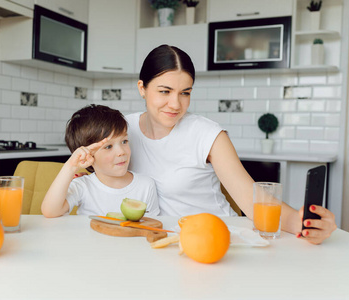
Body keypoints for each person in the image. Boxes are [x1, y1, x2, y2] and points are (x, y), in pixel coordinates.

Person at [126, 44, 336, 244]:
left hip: (219, 238)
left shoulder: (207, 134)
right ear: (142, 88)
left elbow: (253, 200)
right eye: (165, 91)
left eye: (185, 93)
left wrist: (303, 224)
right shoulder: (123, 130)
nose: (175, 104)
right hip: (166, 241)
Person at [41, 104, 160, 218]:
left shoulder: (146, 185)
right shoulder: (82, 185)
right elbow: (50, 211)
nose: (121, 152)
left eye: (124, 141)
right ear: (87, 155)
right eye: (108, 147)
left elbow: (152, 224)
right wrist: (70, 166)